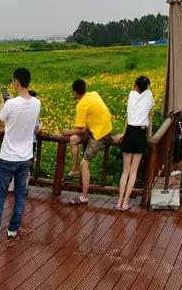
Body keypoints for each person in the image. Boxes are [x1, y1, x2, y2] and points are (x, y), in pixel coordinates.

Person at [0, 68, 40, 240]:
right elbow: (35, 126)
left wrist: (2, 103)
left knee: (0, 195)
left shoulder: (10, 104)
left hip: (8, 156)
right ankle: (13, 229)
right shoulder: (37, 103)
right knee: (20, 195)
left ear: (16, 82)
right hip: (25, 157)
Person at [62, 79, 114, 206]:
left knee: (84, 163)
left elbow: (80, 130)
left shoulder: (81, 105)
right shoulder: (93, 94)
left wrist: (66, 132)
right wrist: (72, 134)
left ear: (75, 92)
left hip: (101, 133)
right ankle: (74, 170)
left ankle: (84, 197)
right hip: (98, 128)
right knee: (73, 140)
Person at [116, 75, 153, 211]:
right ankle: (125, 202)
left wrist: (123, 134)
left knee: (125, 171)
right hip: (141, 133)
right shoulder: (149, 95)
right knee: (133, 171)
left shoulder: (131, 95)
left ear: (136, 86)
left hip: (129, 133)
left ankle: (119, 202)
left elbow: (128, 116)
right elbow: (150, 115)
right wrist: (149, 134)